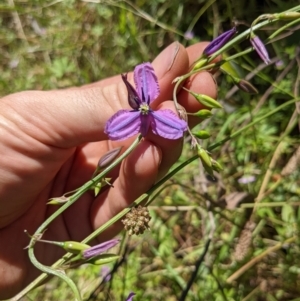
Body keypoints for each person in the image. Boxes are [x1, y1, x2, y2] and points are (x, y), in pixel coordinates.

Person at [0, 41, 218, 299]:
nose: (143, 106)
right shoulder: (130, 116)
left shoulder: (150, 117)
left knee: (150, 157)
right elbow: (117, 126)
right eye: (137, 101)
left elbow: (172, 126)